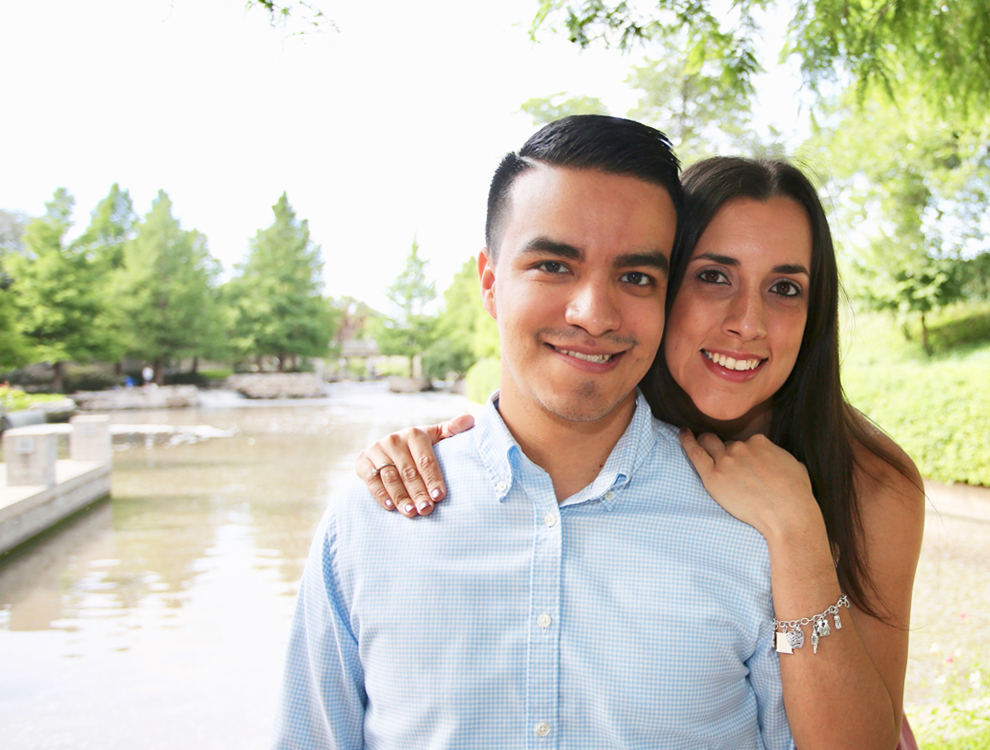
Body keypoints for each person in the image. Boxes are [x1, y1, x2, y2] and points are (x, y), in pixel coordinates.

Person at [355, 156, 925, 749]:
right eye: (714, 277)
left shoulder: (871, 482)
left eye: (784, 288)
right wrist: (433, 455)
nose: (748, 323)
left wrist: (797, 529)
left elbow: (870, 736)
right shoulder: (603, 414)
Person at [271, 116, 796, 749]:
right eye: (553, 265)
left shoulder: (748, 529)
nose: (594, 315)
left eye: (636, 277)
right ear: (491, 284)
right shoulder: (369, 523)